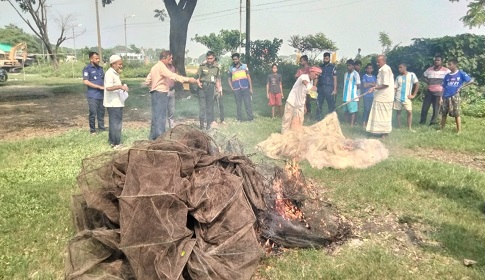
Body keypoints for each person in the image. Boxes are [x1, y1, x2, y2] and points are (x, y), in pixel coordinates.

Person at [146, 50, 198, 140]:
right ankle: (159, 138)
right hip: (160, 93)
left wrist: (152, 88)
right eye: (169, 58)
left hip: (155, 93)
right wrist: (188, 79)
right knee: (161, 116)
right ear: (164, 58)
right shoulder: (161, 67)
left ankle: (153, 138)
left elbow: (148, 81)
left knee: (156, 115)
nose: (171, 60)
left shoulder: (154, 67)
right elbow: (172, 76)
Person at [281, 66, 322, 134]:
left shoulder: (311, 82)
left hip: (300, 105)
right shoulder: (304, 76)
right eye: (316, 74)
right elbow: (304, 82)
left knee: (298, 124)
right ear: (311, 72)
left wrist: (305, 105)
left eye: (318, 75)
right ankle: (283, 137)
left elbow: (305, 94)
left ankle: (293, 138)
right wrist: (310, 86)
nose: (316, 77)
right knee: (286, 121)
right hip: (292, 102)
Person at [440, 58, 474, 133]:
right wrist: (441, 97)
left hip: (454, 96)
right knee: (444, 113)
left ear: (455, 65)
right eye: (448, 64)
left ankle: (459, 131)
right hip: (445, 96)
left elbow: (471, 81)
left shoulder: (461, 73)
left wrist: (461, 87)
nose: (448, 66)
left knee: (456, 113)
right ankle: (442, 129)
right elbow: (443, 87)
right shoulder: (447, 76)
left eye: (450, 64)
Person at [366, 55, 395, 137]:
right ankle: (378, 131)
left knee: (383, 115)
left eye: (379, 61)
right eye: (377, 61)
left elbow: (385, 84)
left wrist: (374, 88)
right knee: (379, 114)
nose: (377, 63)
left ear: (384, 61)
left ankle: (384, 133)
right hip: (381, 96)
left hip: (384, 97)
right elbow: (380, 83)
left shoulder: (385, 70)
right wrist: (374, 87)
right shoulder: (383, 69)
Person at [104, 55, 128, 149]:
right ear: (113, 64)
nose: (121, 66)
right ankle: (116, 143)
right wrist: (120, 87)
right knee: (116, 123)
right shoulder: (110, 73)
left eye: (121, 64)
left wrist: (122, 88)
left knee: (114, 122)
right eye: (119, 64)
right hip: (113, 103)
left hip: (116, 101)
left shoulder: (115, 73)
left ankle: (112, 141)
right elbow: (108, 87)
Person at [420, 55, 450, 125]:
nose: (436, 61)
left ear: (442, 62)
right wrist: (428, 82)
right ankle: (422, 122)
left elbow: (450, 78)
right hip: (429, 91)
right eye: (435, 60)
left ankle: (433, 123)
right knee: (425, 108)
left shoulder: (446, 71)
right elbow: (423, 76)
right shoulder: (429, 69)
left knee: (436, 109)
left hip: (439, 92)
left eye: (438, 60)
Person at [196, 51, 220, 130]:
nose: (209, 60)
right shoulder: (202, 66)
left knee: (210, 107)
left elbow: (217, 79)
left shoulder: (216, 68)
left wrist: (219, 89)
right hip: (202, 88)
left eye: (211, 58)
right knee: (202, 107)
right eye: (208, 58)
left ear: (214, 58)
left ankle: (208, 125)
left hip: (211, 88)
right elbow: (197, 77)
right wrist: (198, 83)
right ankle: (202, 125)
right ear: (206, 58)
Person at [82, 52, 105, 134]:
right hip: (92, 95)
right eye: (96, 59)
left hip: (101, 95)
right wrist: (98, 87)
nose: (98, 60)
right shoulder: (87, 69)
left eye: (98, 58)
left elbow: (104, 80)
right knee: (93, 112)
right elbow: (86, 82)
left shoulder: (100, 69)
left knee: (101, 112)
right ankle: (92, 130)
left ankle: (101, 128)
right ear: (91, 59)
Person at [228, 53, 254, 122]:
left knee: (247, 103)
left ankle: (250, 119)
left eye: (236, 59)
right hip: (236, 89)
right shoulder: (231, 68)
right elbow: (229, 79)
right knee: (238, 105)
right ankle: (239, 119)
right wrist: (232, 88)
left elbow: (249, 77)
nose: (235, 60)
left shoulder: (244, 66)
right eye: (233, 59)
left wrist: (251, 88)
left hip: (245, 87)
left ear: (239, 59)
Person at [394, 63, 419, 131]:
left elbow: (417, 84)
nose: (399, 69)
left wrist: (413, 95)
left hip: (407, 97)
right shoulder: (398, 77)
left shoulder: (411, 75)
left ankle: (409, 128)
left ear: (405, 67)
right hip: (398, 97)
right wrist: (393, 96)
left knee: (409, 112)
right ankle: (399, 127)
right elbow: (395, 88)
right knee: (398, 112)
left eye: (401, 67)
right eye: (398, 68)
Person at [316, 52, 337, 120]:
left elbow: (335, 78)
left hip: (329, 88)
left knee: (331, 104)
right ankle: (318, 118)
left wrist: (335, 89)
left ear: (329, 59)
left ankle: (331, 119)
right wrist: (315, 87)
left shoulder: (333, 67)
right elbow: (317, 77)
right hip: (321, 87)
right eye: (324, 58)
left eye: (327, 58)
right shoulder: (320, 67)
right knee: (319, 103)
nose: (325, 60)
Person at [342, 59, 361, 127]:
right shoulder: (345, 74)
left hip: (352, 96)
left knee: (352, 111)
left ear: (353, 66)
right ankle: (347, 122)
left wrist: (356, 94)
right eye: (347, 65)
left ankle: (352, 124)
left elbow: (358, 85)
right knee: (345, 110)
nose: (348, 67)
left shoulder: (356, 74)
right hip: (345, 95)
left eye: (349, 65)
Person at [361, 63, 377, 128]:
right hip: (366, 95)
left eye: (370, 68)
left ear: (372, 69)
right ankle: (363, 122)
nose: (369, 69)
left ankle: (368, 122)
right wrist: (372, 84)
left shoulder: (374, 77)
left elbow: (376, 85)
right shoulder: (364, 76)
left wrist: (369, 84)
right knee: (366, 109)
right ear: (366, 69)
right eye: (368, 68)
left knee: (370, 109)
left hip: (372, 95)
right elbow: (364, 85)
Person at [166, 59, 177, 129]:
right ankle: (164, 127)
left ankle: (172, 127)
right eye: (170, 59)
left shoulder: (173, 68)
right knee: (164, 110)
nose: (171, 60)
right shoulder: (162, 68)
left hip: (172, 91)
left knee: (171, 110)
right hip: (164, 91)